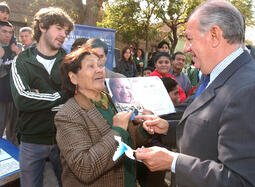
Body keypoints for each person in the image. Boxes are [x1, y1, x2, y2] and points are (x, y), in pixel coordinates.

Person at [135, 1, 255, 186]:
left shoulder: (250, 90)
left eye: (190, 39)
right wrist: (167, 127)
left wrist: (173, 162)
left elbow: (241, 181)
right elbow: (209, 125)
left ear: (214, 35)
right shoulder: (221, 74)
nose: (186, 48)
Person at [55, 47, 157, 187]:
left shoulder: (111, 100)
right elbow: (85, 168)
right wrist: (118, 130)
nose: (99, 70)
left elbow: (127, 141)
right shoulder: (68, 115)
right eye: (91, 66)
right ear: (73, 78)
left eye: (100, 65)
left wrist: (144, 129)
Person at [10, 7, 74, 187]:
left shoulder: (71, 62)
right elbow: (22, 100)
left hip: (66, 139)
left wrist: (38, 97)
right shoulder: (22, 61)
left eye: (66, 31)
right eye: (59, 28)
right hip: (32, 140)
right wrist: (62, 94)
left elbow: (77, 97)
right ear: (43, 26)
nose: (64, 34)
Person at [0, 21, 17, 144]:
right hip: (1, 97)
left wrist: (17, 53)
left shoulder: (15, 47)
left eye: (10, 32)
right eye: (4, 31)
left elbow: (23, 70)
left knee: (14, 132)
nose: (8, 35)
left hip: (14, 96)